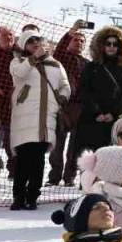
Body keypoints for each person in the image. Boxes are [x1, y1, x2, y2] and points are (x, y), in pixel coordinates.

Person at [9, 30, 72, 210]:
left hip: (46, 119)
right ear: (23, 45)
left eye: (38, 40)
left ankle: (32, 196)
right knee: (22, 160)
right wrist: (33, 59)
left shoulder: (54, 64)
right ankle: (18, 196)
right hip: (24, 119)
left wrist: (62, 96)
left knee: (38, 160)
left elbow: (64, 84)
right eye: (30, 41)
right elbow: (19, 75)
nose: (35, 43)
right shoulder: (18, 61)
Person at [78, 25, 122, 155]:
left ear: (120, 47)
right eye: (107, 43)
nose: (111, 46)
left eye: (115, 44)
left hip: (115, 122)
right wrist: (96, 113)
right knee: (89, 163)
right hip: (91, 121)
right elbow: (85, 91)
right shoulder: (91, 67)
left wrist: (114, 114)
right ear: (101, 45)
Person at [48, 24, 88, 187]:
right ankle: (54, 177)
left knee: (75, 146)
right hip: (62, 107)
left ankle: (70, 176)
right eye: (75, 39)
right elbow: (59, 49)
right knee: (57, 144)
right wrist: (69, 32)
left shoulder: (87, 64)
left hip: (79, 109)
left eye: (81, 41)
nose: (78, 42)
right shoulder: (61, 59)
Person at [0, 25, 18, 179]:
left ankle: (14, 172)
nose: (8, 38)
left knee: (12, 142)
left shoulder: (20, 55)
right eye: (4, 35)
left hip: (13, 106)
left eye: (11, 35)